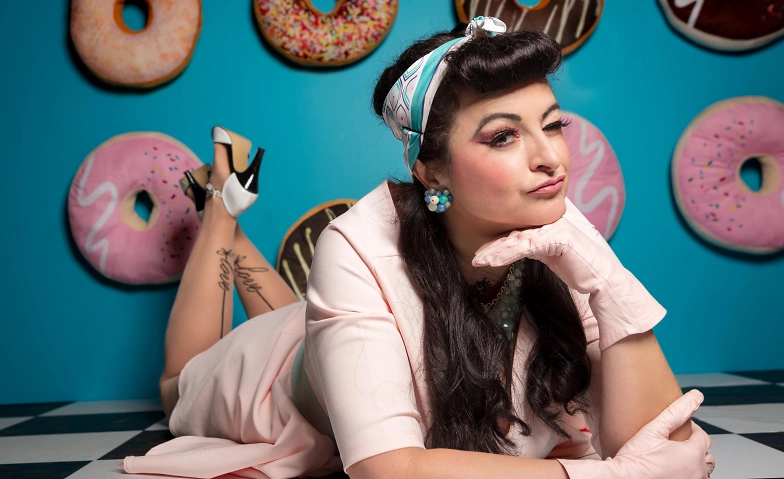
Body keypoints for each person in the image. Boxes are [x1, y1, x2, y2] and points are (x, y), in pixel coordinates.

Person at [123, 16, 715, 479]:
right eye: (503, 136)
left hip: (334, 331)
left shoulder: (555, 225)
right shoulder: (355, 245)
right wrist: (610, 476)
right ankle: (220, 211)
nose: (549, 158)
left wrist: (606, 279)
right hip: (269, 382)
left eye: (553, 124)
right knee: (179, 384)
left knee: (299, 317)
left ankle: (227, 206)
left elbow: (663, 443)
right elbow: (388, 468)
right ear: (431, 171)